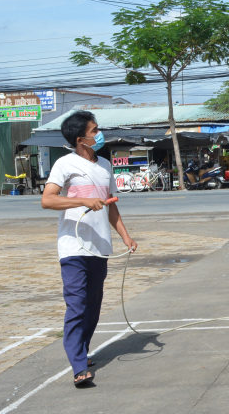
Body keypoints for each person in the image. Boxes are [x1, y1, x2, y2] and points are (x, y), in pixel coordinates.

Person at [41, 111, 137, 387]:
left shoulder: (105, 164)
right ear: (80, 138)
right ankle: (78, 366)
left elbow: (111, 204)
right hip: (73, 246)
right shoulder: (64, 164)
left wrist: (125, 237)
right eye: (95, 130)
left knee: (93, 305)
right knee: (76, 304)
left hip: (100, 247)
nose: (99, 134)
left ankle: (82, 350)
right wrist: (83, 202)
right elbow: (48, 200)